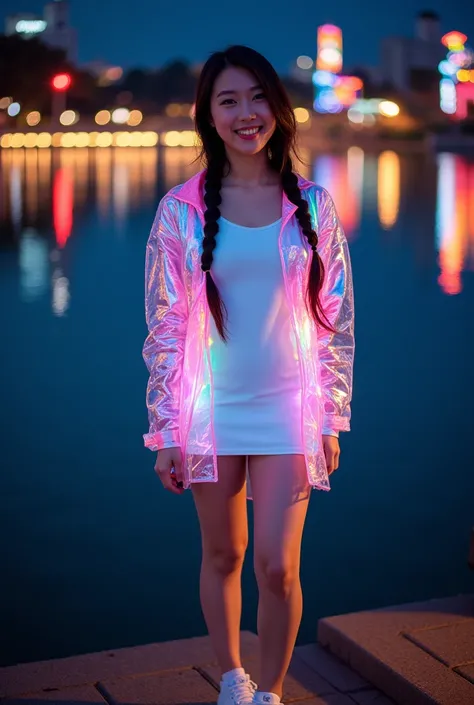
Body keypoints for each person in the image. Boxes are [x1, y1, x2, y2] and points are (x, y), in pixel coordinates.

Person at [143, 45, 355, 705]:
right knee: (225, 554)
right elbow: (165, 329)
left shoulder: (313, 207)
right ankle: (232, 677)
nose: (245, 113)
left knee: (277, 564)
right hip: (210, 412)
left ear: (277, 108)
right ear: (209, 114)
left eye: (257, 97)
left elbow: (335, 325)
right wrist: (166, 431)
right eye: (228, 100)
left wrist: (331, 418)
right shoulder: (180, 211)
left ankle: (271, 688)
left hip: (290, 410)